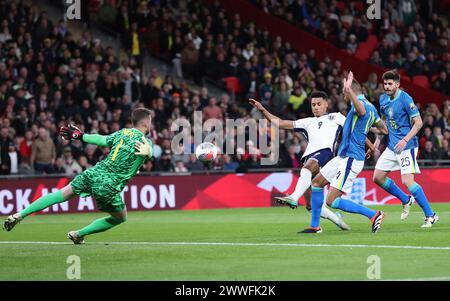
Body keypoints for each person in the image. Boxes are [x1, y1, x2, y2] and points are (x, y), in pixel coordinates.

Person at [3, 108, 153, 244]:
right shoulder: (146, 142)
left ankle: (19, 215)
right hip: (108, 184)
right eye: (150, 121)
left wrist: (80, 136)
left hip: (93, 172)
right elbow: (149, 152)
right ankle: (79, 234)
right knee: (120, 217)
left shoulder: (122, 133)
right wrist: (149, 152)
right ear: (146, 123)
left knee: (62, 193)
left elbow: (101, 139)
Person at [249, 91, 350, 231]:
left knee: (307, 169)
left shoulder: (336, 117)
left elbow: (354, 129)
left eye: (319, 104)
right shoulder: (307, 122)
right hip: (310, 157)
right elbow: (280, 123)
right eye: (313, 104)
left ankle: (294, 197)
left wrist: (370, 141)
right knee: (310, 206)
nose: (315, 107)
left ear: (327, 104)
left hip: (326, 154)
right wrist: (262, 110)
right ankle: (336, 220)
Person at [306, 72, 388, 233]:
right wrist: (370, 139)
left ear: (351, 90)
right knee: (316, 183)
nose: (343, 95)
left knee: (331, 200)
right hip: (343, 157)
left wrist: (349, 91)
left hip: (351, 158)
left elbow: (361, 111)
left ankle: (374, 214)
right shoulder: (372, 109)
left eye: (344, 92)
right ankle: (315, 226)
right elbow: (383, 129)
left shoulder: (361, 105)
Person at [372, 69, 439, 227]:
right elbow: (384, 123)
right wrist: (377, 140)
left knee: (407, 181)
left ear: (397, 84)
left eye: (390, 84)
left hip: (407, 145)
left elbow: (419, 123)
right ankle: (405, 199)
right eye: (385, 84)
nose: (387, 86)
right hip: (392, 146)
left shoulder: (405, 98)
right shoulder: (383, 100)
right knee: (377, 177)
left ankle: (431, 215)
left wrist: (404, 140)